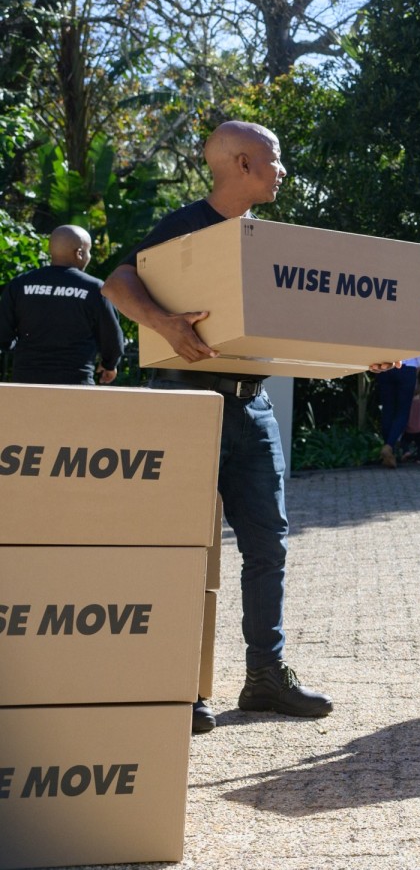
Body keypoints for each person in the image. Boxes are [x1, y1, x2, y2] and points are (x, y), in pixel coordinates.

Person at [103, 121, 391, 735]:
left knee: (268, 547)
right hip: (187, 405)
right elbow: (117, 282)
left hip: (252, 409)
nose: (282, 169)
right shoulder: (183, 228)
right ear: (240, 162)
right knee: (183, 551)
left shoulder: (267, 242)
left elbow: (312, 317)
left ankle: (264, 677)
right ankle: (177, 686)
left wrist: (366, 353)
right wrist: (164, 322)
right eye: (274, 158)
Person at [0, 225, 125, 385]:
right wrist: (109, 364)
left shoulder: (20, 284)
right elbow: (111, 337)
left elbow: (3, 334)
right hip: (75, 383)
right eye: (89, 251)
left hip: (26, 382)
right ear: (79, 253)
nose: (89, 256)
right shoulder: (95, 289)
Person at [375, 354, 420, 467]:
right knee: (403, 412)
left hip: (384, 368)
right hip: (406, 368)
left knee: (387, 410)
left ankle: (389, 452)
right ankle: (389, 446)